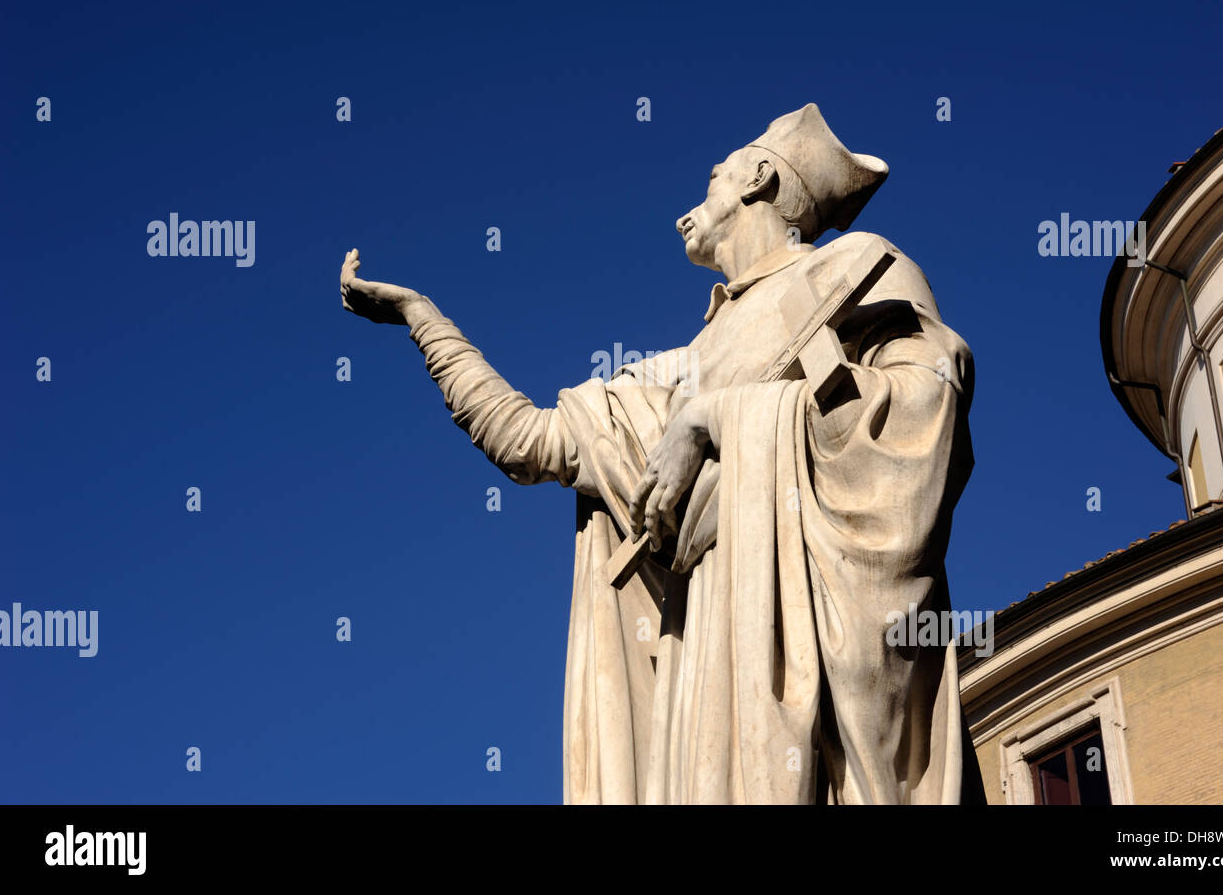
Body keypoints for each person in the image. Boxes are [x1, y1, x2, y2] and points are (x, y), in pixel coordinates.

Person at [341, 104, 985, 804]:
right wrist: (422, 318)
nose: (689, 207)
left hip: (814, 645)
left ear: (759, 178)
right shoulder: (684, 366)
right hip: (704, 658)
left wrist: (718, 418)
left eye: (712, 178)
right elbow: (528, 440)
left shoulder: (857, 271)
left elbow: (926, 414)